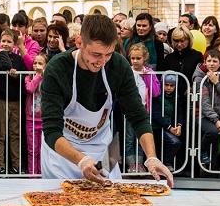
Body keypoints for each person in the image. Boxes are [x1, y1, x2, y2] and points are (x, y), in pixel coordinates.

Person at [40, 14, 173, 184]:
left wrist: (152, 157)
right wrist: (81, 160)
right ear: (79, 42)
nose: (102, 62)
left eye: (108, 54)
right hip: (62, 154)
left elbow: (138, 116)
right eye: (96, 54)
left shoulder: (119, 66)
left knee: (111, 204)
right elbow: (51, 131)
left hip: (102, 149)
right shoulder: (57, 68)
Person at [0, 29, 26, 175]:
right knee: (0, 134)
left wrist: (16, 76)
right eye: (3, 41)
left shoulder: (18, 59)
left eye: (9, 42)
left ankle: (16, 164)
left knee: (14, 133)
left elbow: (23, 77)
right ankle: (0, 164)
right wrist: (1, 53)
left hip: (15, 100)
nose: (5, 44)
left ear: (15, 44)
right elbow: (3, 66)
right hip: (1, 100)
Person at [192, 48, 220, 167]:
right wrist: (215, 120)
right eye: (209, 61)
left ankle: (212, 174)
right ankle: (200, 151)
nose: (211, 64)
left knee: (215, 146)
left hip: (217, 115)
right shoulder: (199, 77)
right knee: (212, 131)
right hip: (200, 115)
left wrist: (217, 83)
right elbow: (204, 103)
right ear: (205, 62)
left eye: (215, 61)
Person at [124, 43, 161, 173]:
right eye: (132, 58)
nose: (135, 61)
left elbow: (156, 92)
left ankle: (140, 163)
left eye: (138, 58)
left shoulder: (149, 72)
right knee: (129, 137)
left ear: (145, 58)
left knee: (141, 137)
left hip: (144, 109)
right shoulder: (127, 70)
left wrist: (147, 77)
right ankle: (131, 164)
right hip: (128, 110)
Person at [151, 73, 183, 169]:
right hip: (157, 127)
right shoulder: (157, 96)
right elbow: (156, 115)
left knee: (174, 143)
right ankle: (166, 164)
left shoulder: (175, 97)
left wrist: (179, 125)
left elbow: (179, 113)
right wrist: (169, 127)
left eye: (172, 85)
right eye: (166, 85)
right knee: (174, 142)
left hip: (168, 127)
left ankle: (165, 164)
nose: (169, 88)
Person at [24, 53, 48, 175]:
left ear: (46, 65)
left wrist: (42, 75)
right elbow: (30, 89)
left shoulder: (48, 78)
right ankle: (33, 175)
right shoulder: (29, 77)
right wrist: (37, 76)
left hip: (44, 119)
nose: (37, 66)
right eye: (35, 63)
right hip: (31, 119)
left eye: (40, 63)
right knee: (32, 149)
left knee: (43, 150)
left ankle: (42, 173)